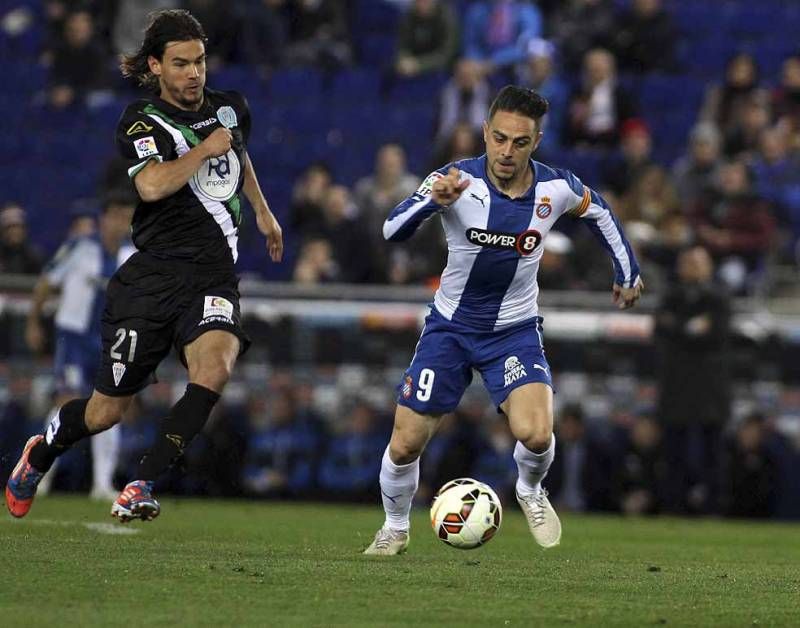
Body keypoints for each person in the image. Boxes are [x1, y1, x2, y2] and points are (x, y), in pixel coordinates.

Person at [6, 9, 283, 522]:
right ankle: (40, 451)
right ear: (155, 65)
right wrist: (204, 149)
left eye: (199, 61)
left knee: (217, 365)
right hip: (153, 279)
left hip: (213, 276)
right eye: (180, 64)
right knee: (105, 410)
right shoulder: (140, 120)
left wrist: (264, 214)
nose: (194, 73)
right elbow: (152, 185)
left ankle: (141, 482)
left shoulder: (231, 108)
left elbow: (239, 157)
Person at [363, 86, 643, 555]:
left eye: (519, 142)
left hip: (514, 331)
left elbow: (600, 211)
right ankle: (394, 527)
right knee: (406, 442)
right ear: (485, 134)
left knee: (536, 434)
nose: (506, 151)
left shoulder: (556, 188)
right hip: (450, 329)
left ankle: (531, 490)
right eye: (498, 138)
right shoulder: (453, 179)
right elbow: (391, 229)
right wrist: (435, 200)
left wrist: (627, 270)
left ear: (535, 142)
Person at [25, 194, 136, 500]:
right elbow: (47, 281)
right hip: (73, 338)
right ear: (103, 218)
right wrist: (33, 322)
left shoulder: (133, 253)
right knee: (66, 401)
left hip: (110, 341)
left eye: (126, 216)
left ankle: (102, 484)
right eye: (115, 216)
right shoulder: (79, 247)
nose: (119, 223)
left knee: (109, 407)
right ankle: (39, 474)